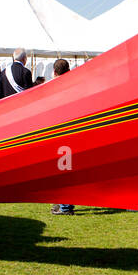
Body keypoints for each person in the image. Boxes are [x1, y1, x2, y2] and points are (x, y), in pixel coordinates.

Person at [49, 58, 77, 216]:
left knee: (64, 170)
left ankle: (65, 206)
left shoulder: (55, 87)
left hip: (61, 132)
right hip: (71, 132)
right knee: (66, 169)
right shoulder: (74, 85)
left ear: (54, 71)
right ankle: (62, 203)